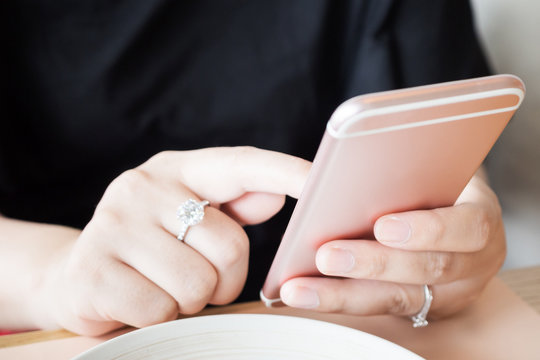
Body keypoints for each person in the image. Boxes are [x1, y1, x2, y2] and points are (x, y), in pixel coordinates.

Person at [0, 0, 506, 336]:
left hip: (333, 327)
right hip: (60, 330)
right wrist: (56, 275)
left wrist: (447, 241)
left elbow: (430, 134)